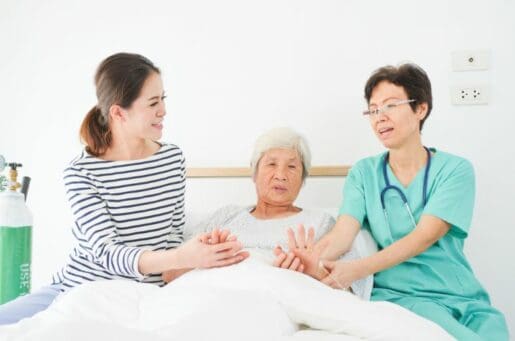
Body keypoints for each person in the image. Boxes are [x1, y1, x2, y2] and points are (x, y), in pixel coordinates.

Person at [0, 52, 247, 325]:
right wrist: (180, 256)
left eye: (163, 98)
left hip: (145, 297)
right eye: (153, 102)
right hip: (79, 289)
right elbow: (106, 253)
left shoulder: (172, 159)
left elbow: (173, 239)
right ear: (118, 113)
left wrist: (198, 255)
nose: (163, 110)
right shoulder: (82, 172)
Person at [283, 64, 509, 340]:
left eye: (390, 105)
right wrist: (313, 258)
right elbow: (343, 233)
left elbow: (425, 237)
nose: (380, 117)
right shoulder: (364, 173)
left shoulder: (455, 170)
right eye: (373, 109)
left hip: (463, 294)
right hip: (403, 297)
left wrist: (355, 270)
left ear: (421, 109)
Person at [165, 127, 372, 299]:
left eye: (292, 167)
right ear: (254, 173)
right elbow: (170, 274)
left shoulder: (320, 223)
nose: (280, 175)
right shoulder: (225, 217)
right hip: (215, 297)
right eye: (271, 164)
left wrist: (312, 273)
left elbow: (353, 291)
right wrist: (206, 258)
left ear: (303, 179)